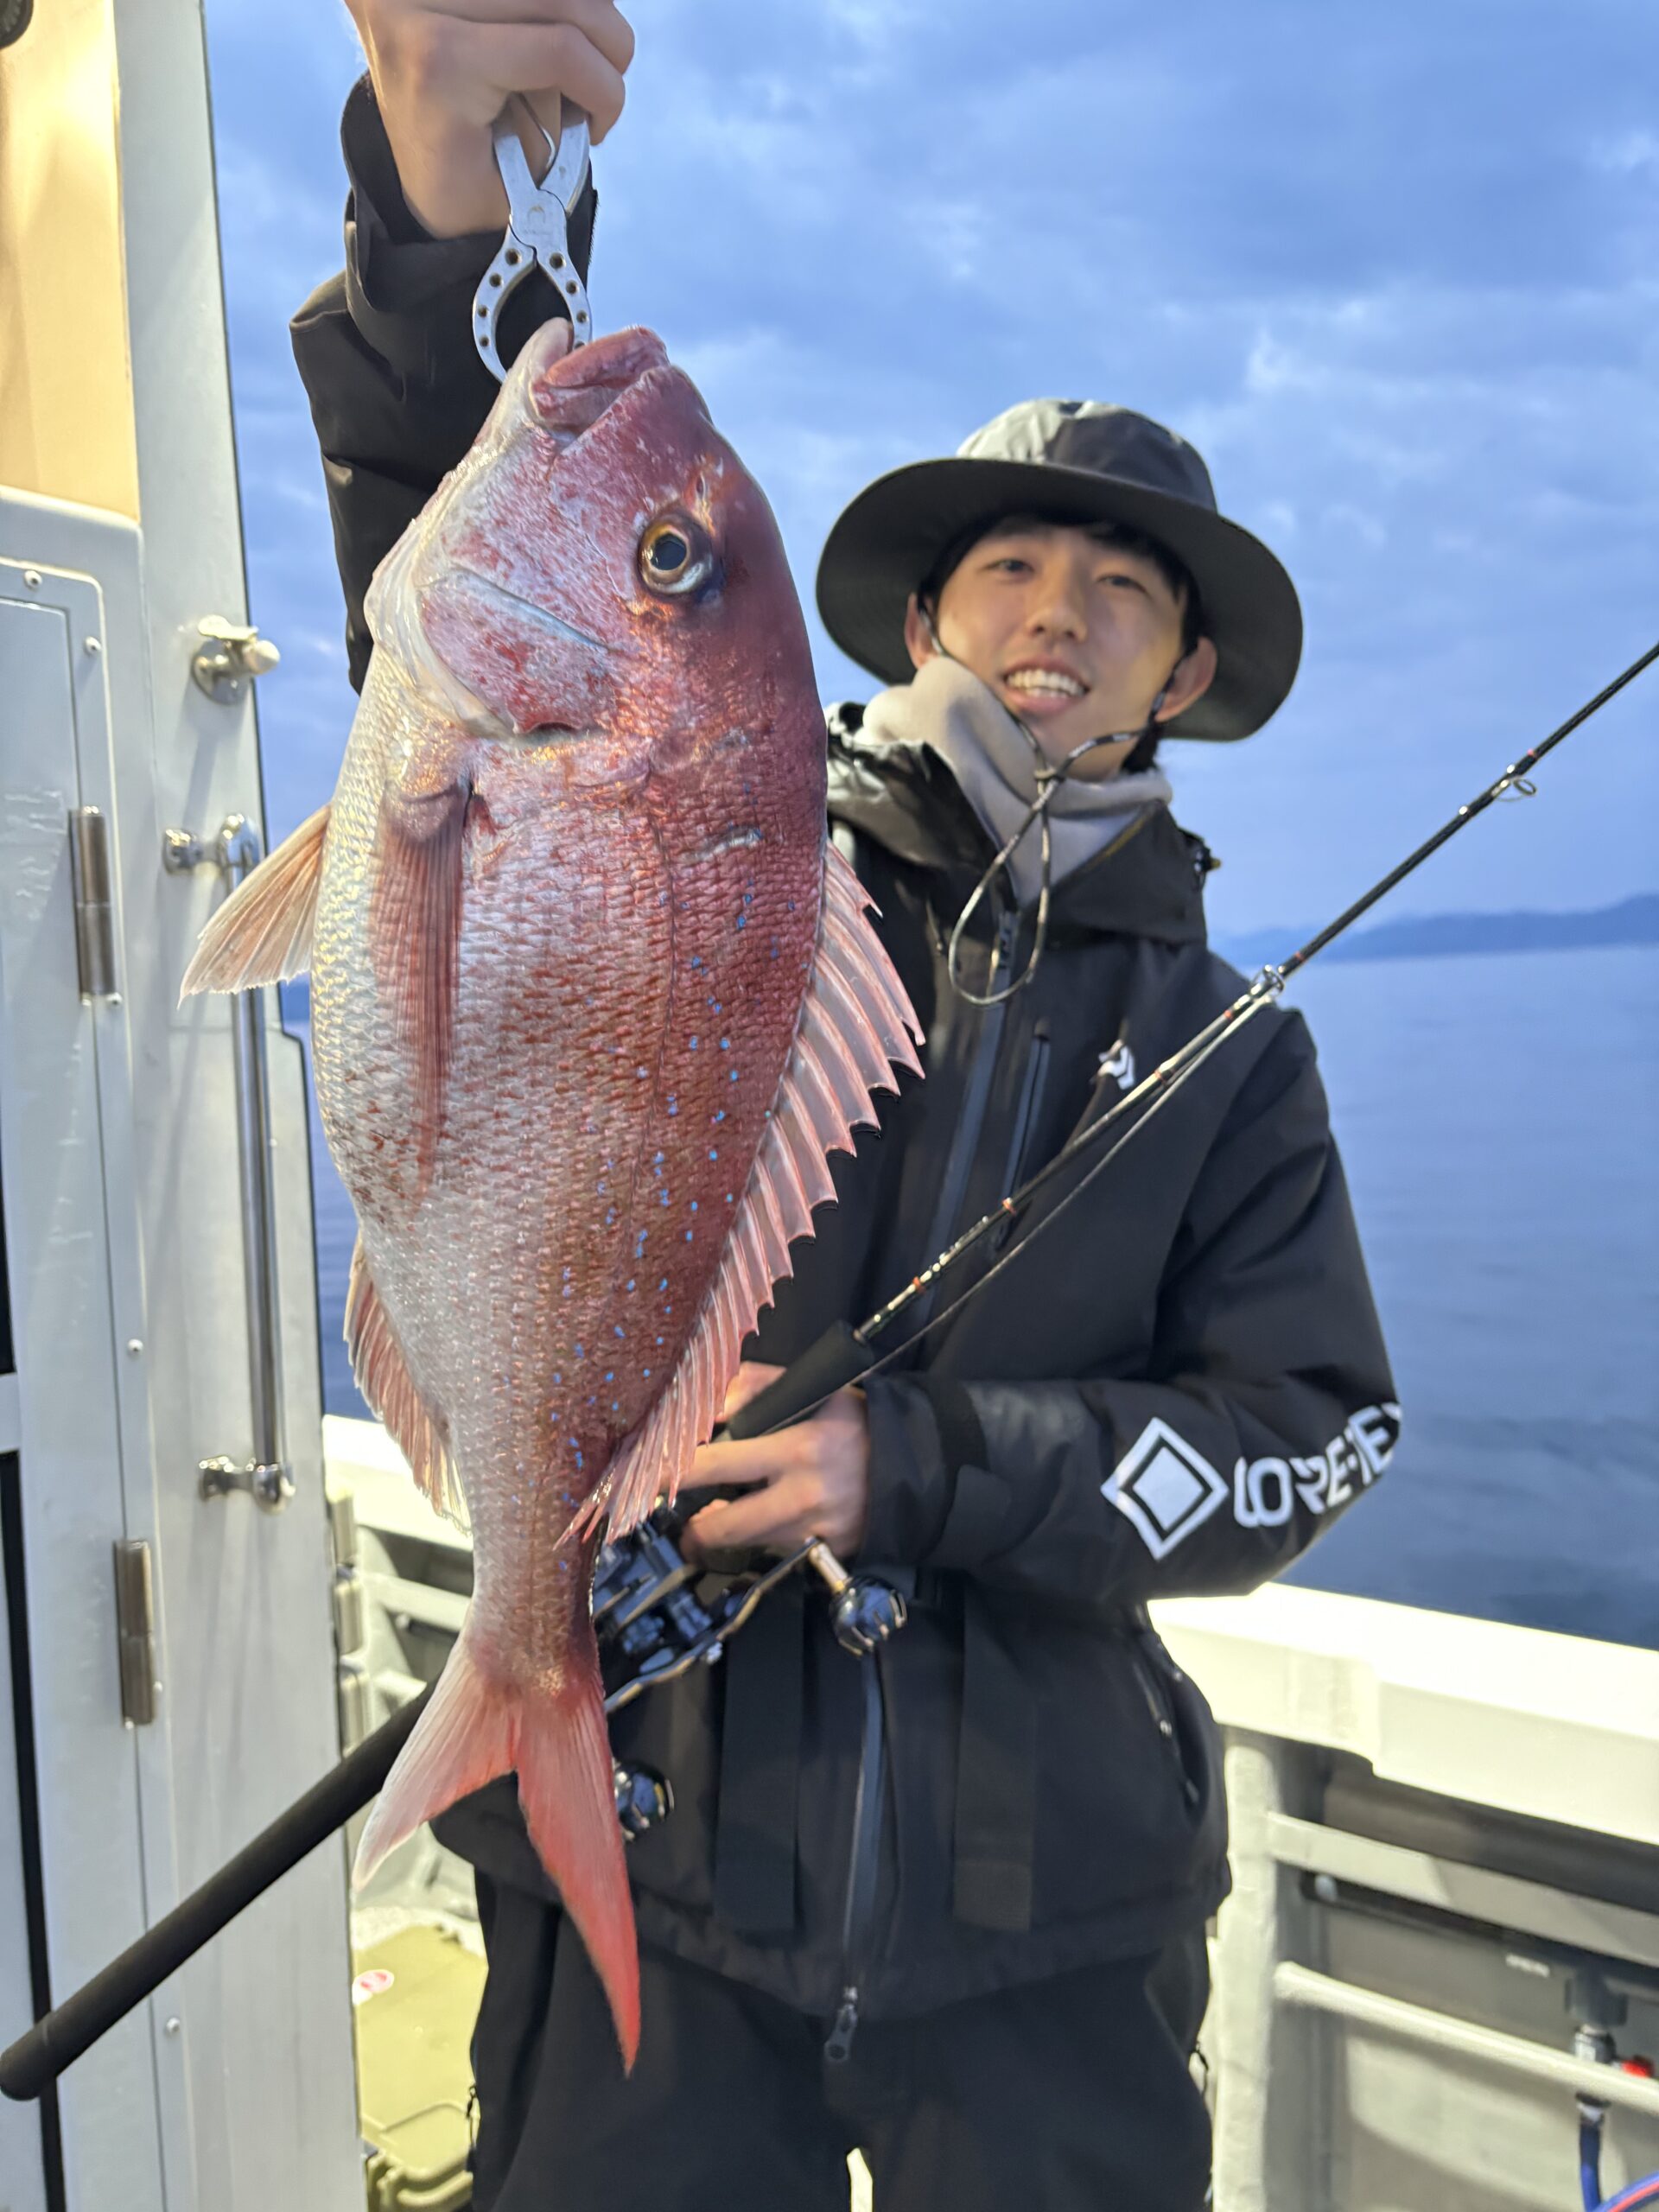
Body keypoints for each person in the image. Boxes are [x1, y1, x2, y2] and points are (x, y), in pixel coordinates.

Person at [295, 10, 1397, 2207]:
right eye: (1010, 570)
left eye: (1120, 589)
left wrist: (937, 1464)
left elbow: (1311, 1438)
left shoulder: (1230, 1044)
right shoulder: (743, 855)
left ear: (1186, 672)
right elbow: (494, 616)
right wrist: (433, 198)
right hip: (664, 1856)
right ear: (919, 616)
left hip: (1055, 1930)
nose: (1056, 619)